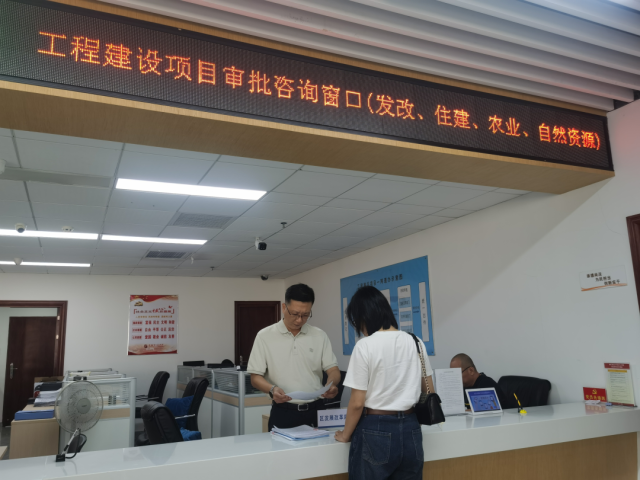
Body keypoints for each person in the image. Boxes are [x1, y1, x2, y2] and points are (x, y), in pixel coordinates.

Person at [335, 286, 434, 480]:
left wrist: (346, 435)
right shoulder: (416, 342)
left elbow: (357, 403)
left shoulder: (365, 345)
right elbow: (428, 390)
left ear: (364, 317)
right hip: (411, 427)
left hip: (375, 429)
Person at [247, 283, 341, 431]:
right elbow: (255, 377)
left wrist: (331, 384)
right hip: (283, 411)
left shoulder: (319, 335)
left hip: (316, 410)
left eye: (305, 315)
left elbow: (333, 370)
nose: (299, 320)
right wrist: (272, 389)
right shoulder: (264, 336)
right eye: (295, 314)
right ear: (284, 307)